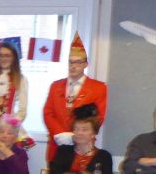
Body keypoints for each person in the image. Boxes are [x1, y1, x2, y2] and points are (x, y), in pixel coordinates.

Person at [42, 33, 107, 162]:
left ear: (85, 64)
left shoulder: (99, 88)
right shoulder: (55, 86)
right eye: (71, 62)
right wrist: (60, 134)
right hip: (58, 143)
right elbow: (48, 113)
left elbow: (98, 117)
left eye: (78, 62)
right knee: (57, 173)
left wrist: (76, 135)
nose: (73, 66)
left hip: (83, 146)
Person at [0, 42, 28, 121]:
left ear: (14, 58)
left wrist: (11, 123)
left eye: (7, 56)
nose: (3, 59)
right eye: (1, 55)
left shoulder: (21, 79)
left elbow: (22, 110)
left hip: (8, 124)